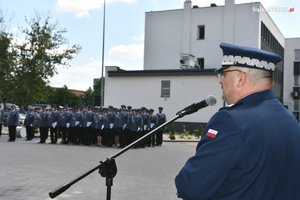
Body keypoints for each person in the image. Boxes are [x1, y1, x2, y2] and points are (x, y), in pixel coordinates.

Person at [175, 42, 300, 200]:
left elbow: (190, 187)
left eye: (224, 73)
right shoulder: (290, 119)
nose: (220, 81)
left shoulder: (230, 121)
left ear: (240, 79)